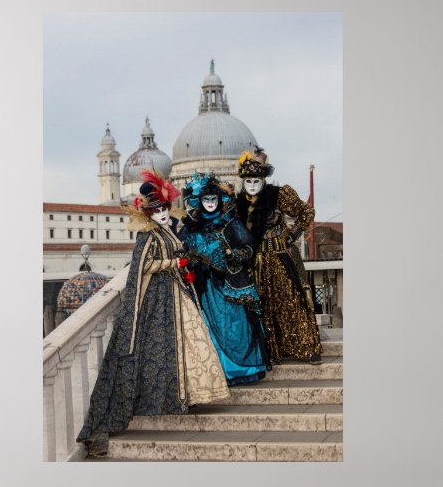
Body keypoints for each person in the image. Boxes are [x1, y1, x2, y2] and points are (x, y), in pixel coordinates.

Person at [76, 170, 230, 457]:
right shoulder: (147, 236)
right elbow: (143, 267)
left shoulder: (166, 231)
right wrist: (175, 262)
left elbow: (170, 258)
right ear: (147, 213)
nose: (160, 213)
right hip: (156, 301)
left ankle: (189, 393)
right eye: (155, 210)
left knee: (190, 343)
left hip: (174, 294)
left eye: (163, 208)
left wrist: (183, 268)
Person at [234, 148, 323, 365]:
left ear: (263, 180)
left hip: (282, 258)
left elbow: (306, 212)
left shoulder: (279, 195)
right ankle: (273, 352)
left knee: (292, 301)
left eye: (257, 181)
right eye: (248, 181)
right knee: (266, 306)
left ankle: (307, 348)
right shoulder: (239, 205)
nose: (253, 185)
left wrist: (292, 235)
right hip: (258, 263)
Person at [179, 173, 269, 386]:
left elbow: (249, 249)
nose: (210, 204)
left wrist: (233, 255)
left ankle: (239, 370)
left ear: (220, 201)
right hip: (204, 287)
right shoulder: (191, 228)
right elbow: (181, 252)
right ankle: (219, 371)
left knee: (235, 326)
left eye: (213, 200)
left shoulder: (231, 223)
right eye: (205, 200)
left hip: (231, 284)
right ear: (199, 202)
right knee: (211, 327)